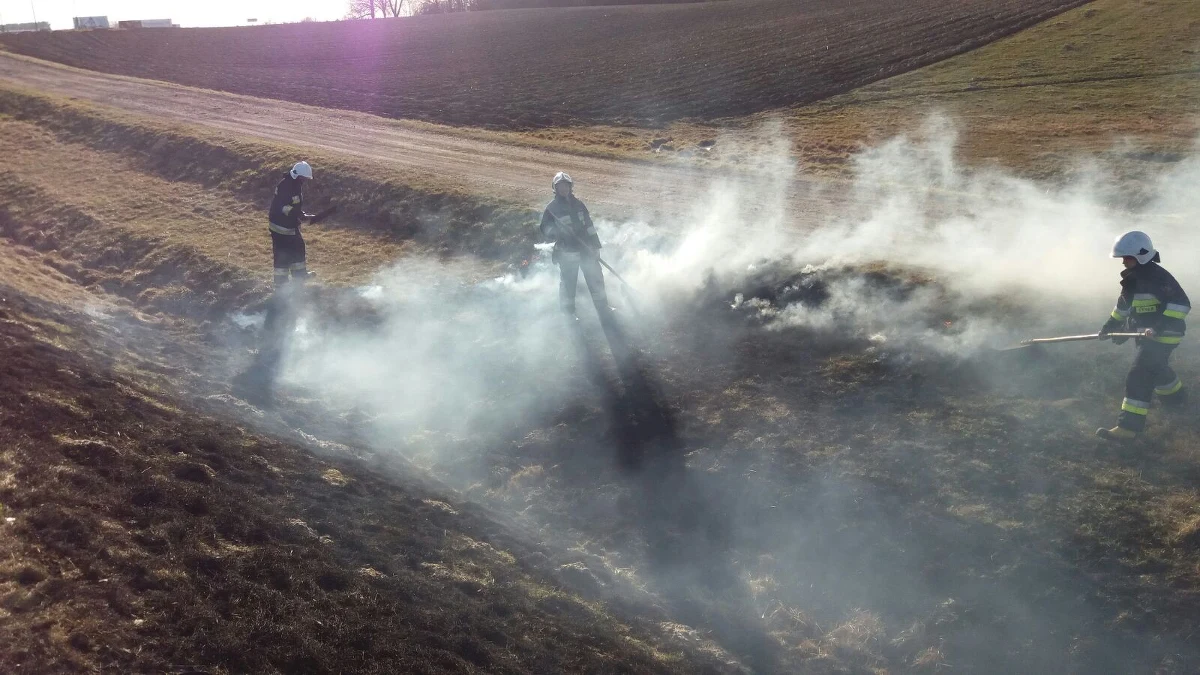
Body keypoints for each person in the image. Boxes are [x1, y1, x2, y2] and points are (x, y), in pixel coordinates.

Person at [1096, 231, 1190, 442]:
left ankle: (1128, 428)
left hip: (1165, 335)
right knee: (1156, 367)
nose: (1123, 262)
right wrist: (1110, 326)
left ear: (1141, 256)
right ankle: (1177, 400)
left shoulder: (1159, 278)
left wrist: (1159, 326)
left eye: (1126, 258)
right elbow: (1122, 307)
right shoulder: (1133, 279)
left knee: (1139, 375)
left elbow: (1182, 304)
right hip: (1146, 335)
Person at [539, 172, 613, 324]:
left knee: (596, 278)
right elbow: (545, 228)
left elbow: (589, 226)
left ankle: (603, 308)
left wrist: (596, 246)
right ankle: (568, 314)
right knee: (568, 284)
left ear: (570, 187)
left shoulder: (579, 205)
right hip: (567, 252)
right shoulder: (551, 208)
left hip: (586, 249)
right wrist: (560, 232)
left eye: (566, 186)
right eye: (560, 187)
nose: (564, 189)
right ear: (555, 188)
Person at [268, 161, 317, 286]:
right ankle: (282, 283)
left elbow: (293, 205)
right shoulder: (286, 186)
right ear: (298, 175)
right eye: (304, 178)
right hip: (282, 227)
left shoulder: (294, 183)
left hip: (288, 225)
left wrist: (302, 215)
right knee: (283, 254)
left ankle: (298, 277)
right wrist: (300, 216)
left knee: (296, 249)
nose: (305, 181)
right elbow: (282, 206)